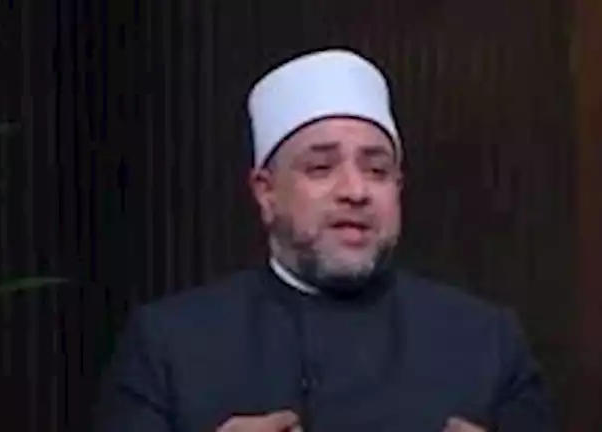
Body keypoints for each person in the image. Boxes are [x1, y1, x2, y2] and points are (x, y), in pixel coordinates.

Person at [92, 48, 556, 432]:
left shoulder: (486, 342)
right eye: (320, 168)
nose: (355, 191)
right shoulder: (168, 345)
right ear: (266, 192)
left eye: (377, 170)